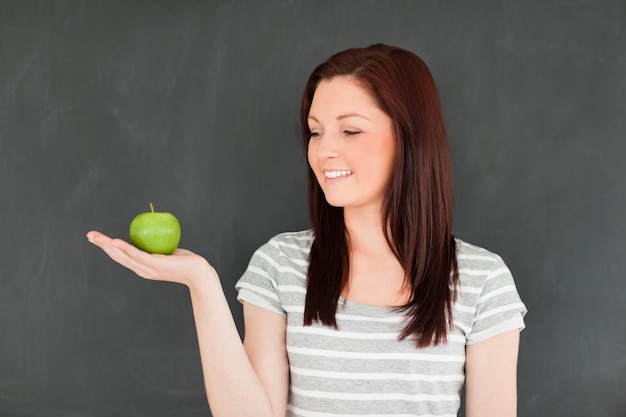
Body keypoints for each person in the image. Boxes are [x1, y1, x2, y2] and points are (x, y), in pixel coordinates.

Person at [87, 43, 527, 417]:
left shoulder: (481, 280)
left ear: (410, 139)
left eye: (351, 130)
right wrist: (202, 284)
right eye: (316, 132)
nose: (324, 151)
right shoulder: (280, 265)